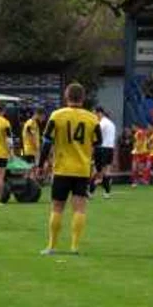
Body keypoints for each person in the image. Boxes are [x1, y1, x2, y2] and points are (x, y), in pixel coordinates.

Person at [39, 83, 101, 256]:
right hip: (82, 169)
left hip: (61, 168)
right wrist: (99, 167)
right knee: (80, 207)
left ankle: (51, 246)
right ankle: (74, 246)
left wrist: (40, 164)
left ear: (66, 97)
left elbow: (47, 142)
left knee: (57, 207)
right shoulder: (92, 118)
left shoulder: (57, 116)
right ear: (83, 98)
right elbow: (99, 144)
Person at [90, 106, 115, 198]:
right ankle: (107, 193)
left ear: (99, 113)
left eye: (94, 113)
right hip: (110, 149)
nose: (93, 115)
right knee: (106, 171)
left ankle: (90, 192)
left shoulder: (101, 124)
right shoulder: (111, 123)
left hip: (101, 148)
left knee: (96, 171)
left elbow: (95, 137)